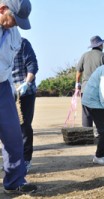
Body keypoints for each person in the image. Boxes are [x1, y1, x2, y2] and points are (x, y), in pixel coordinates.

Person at [0, 0, 37, 194]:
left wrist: (13, 88)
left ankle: (15, 181)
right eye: (14, 18)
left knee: (14, 135)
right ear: (2, 9)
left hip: (3, 87)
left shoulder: (15, 33)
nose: (15, 24)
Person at [12, 37, 39, 173]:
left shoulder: (22, 43)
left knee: (24, 126)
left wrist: (27, 83)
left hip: (24, 91)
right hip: (7, 90)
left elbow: (32, 64)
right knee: (7, 128)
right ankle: (12, 160)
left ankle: (26, 160)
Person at [76, 35, 104, 128]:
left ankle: (87, 134)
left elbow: (79, 71)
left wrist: (77, 84)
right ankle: (101, 133)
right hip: (99, 89)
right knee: (100, 112)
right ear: (101, 45)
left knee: (86, 114)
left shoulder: (84, 55)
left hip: (85, 88)